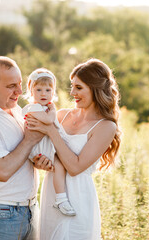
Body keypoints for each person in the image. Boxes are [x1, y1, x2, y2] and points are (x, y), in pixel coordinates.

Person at [26, 58, 121, 239]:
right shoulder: (61, 115)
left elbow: (76, 167)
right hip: (52, 193)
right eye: (72, 86)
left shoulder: (105, 126)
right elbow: (46, 150)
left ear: (95, 89)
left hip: (77, 197)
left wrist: (51, 130)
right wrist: (41, 161)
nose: (72, 92)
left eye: (79, 88)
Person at [0, 56, 53, 240]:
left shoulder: (16, 111)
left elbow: (20, 155)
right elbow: (2, 171)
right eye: (11, 86)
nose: (19, 91)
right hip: (1, 214)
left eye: (20, 84)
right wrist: (29, 140)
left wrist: (37, 161)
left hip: (29, 209)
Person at [22, 68, 76, 216]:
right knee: (59, 163)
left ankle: (61, 197)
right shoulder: (32, 108)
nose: (43, 94)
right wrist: (52, 109)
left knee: (60, 164)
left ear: (53, 92)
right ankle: (61, 199)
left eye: (48, 90)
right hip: (39, 147)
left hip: (46, 143)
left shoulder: (44, 108)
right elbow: (49, 120)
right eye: (38, 90)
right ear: (31, 91)